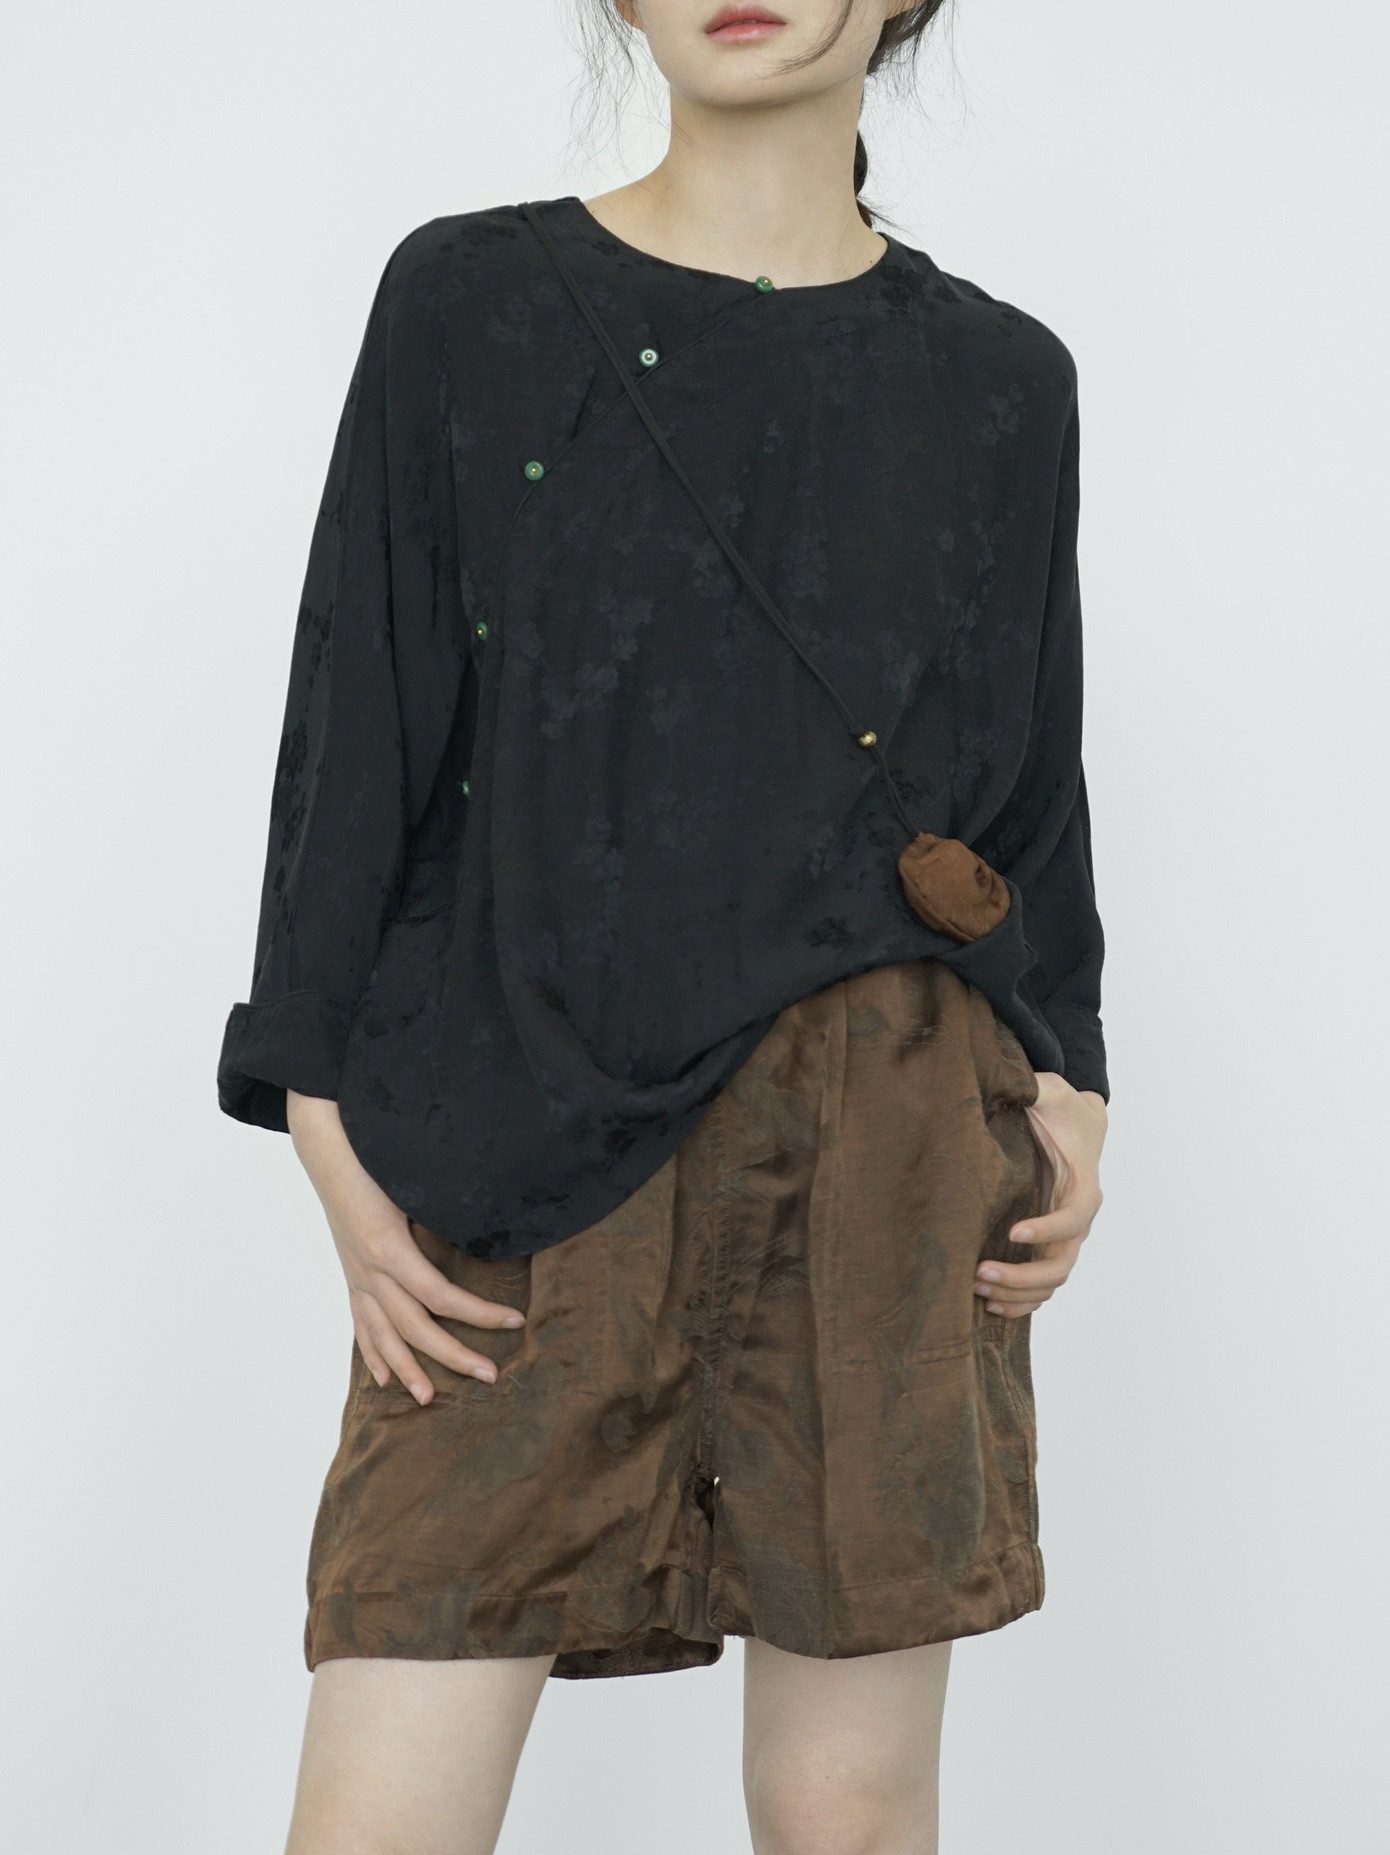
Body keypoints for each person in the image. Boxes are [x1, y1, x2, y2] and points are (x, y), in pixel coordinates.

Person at [217, 2, 1109, 1849]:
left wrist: (1069, 1078)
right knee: (386, 1778)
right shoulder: (471, 300)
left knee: (847, 1807)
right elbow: (361, 703)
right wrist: (313, 1099)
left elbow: (1026, 776)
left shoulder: (1003, 377)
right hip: (523, 1127)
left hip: (887, 1133)